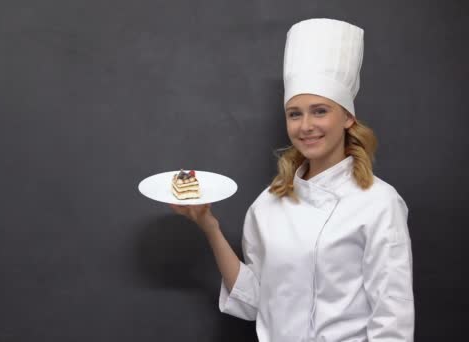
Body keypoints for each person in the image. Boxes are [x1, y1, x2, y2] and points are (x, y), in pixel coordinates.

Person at [170, 18, 415, 342]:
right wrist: (209, 226)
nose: (306, 125)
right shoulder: (269, 204)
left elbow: (392, 318)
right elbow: (255, 301)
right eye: (295, 113)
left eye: (320, 111)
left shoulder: (378, 202)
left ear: (347, 117)